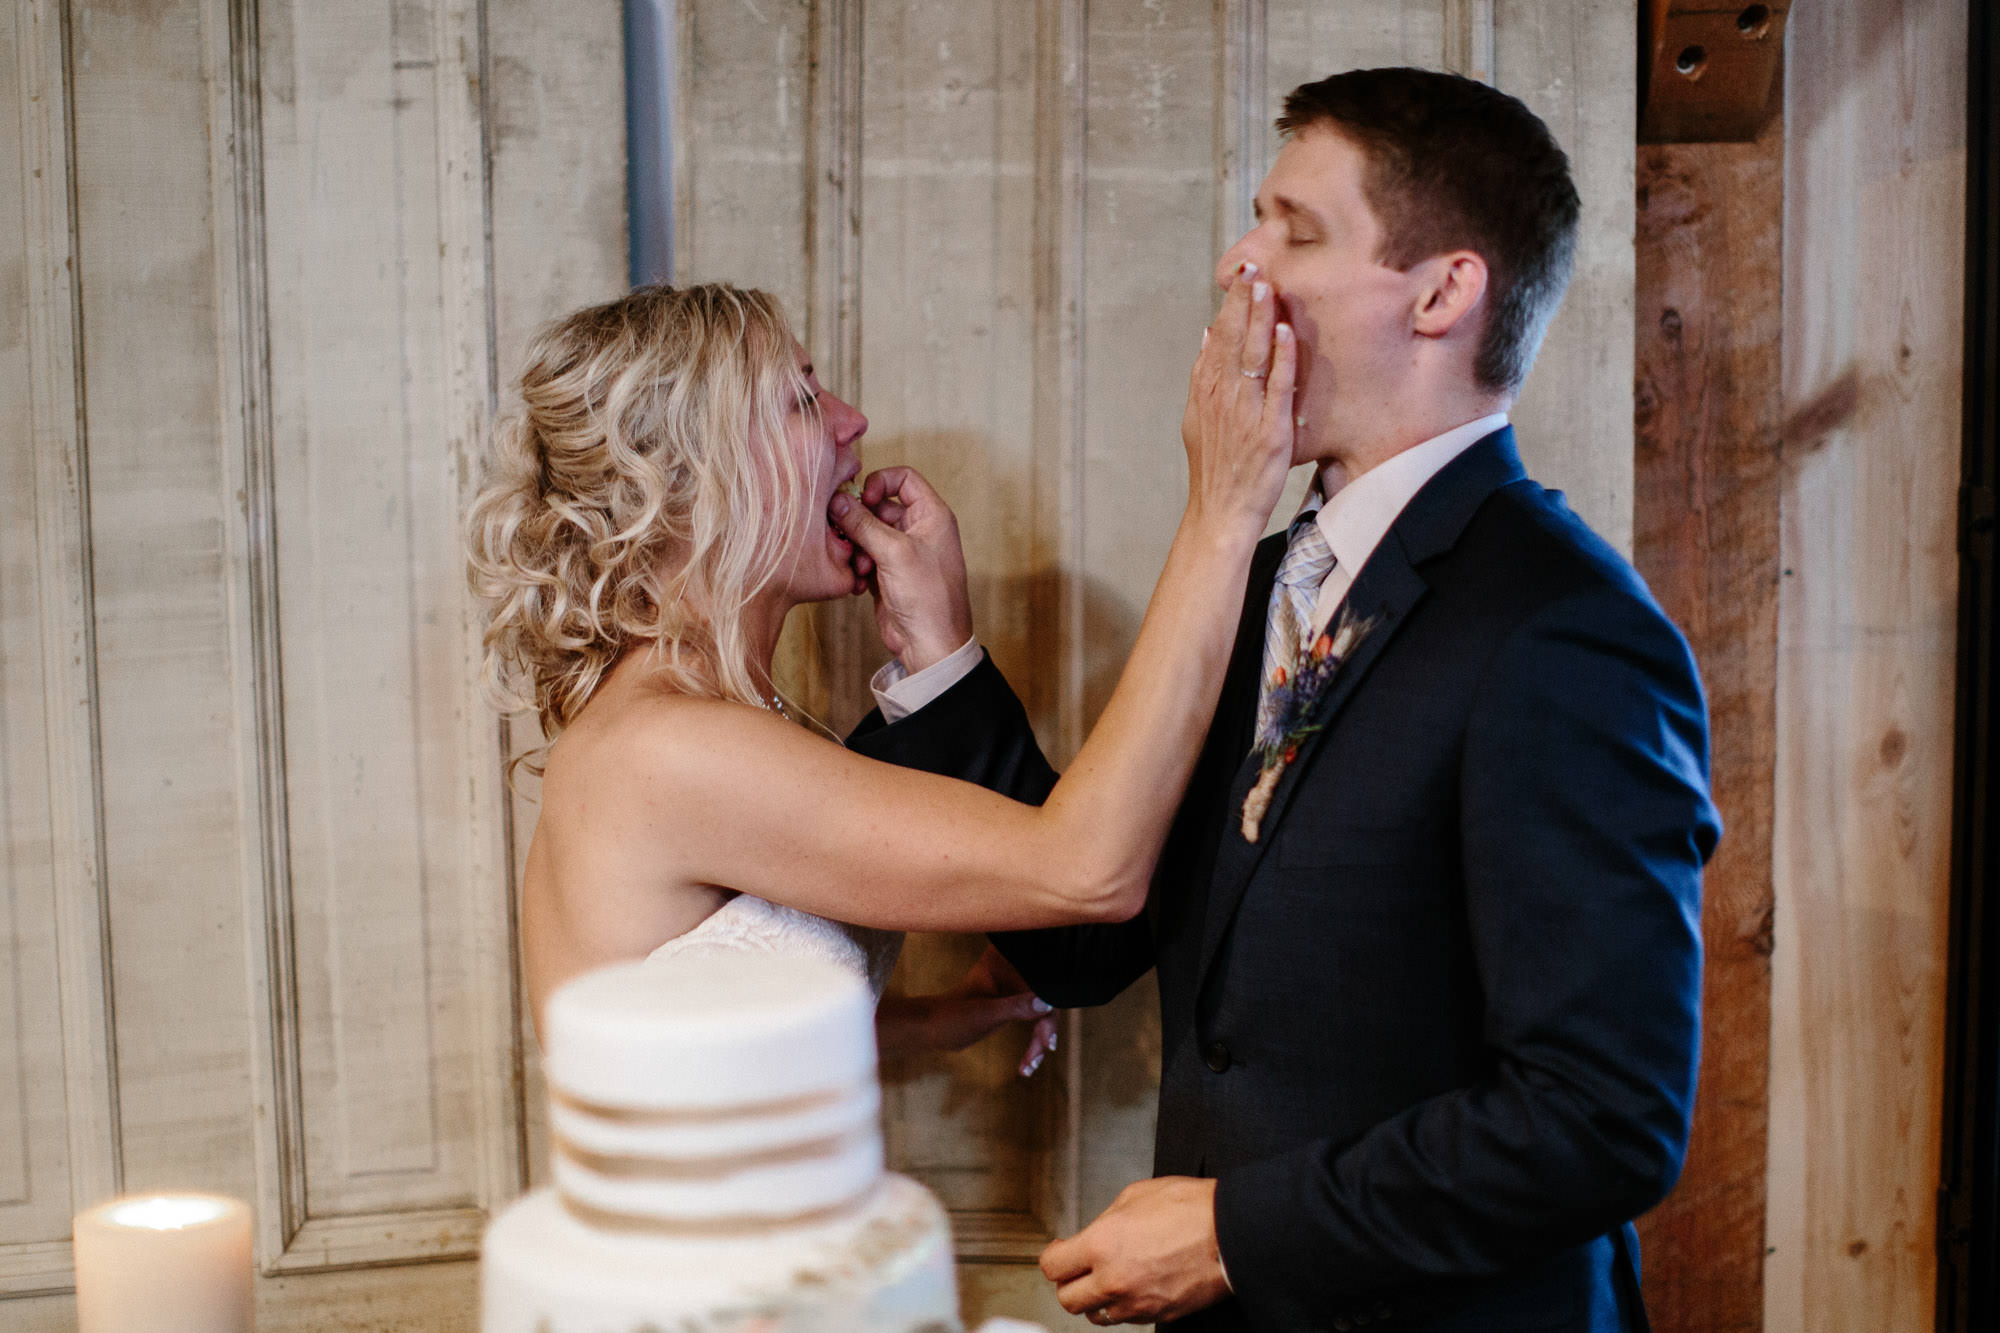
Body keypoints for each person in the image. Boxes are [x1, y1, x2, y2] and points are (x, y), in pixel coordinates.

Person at [840, 67, 1721, 1332]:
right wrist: (938, 655)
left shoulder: (1564, 630)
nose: (1236, 265)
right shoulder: (1261, 578)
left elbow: (1602, 1119)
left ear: (1440, 292)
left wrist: (1230, 1230)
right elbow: (1085, 939)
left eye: (1293, 229)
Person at [463, 279, 1296, 1067]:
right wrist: (1221, 510)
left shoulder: (694, 722)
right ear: (688, 479)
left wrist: (939, 1019)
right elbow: (1089, 868)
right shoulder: (670, 748)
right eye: (801, 399)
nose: (851, 421)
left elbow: (701, 1033)